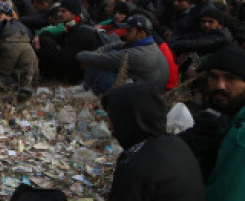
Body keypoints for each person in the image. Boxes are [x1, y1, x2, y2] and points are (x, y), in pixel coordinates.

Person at [103, 83, 204, 200]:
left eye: (113, 118)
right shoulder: (177, 143)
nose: (109, 126)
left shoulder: (134, 164)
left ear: (129, 119)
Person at [76, 15, 169, 95]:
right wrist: (94, 54)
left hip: (138, 97)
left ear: (142, 34)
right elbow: (113, 45)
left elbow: (102, 59)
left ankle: (86, 89)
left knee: (96, 63)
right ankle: (89, 89)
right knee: (105, 55)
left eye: (129, 30)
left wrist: (82, 56)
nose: (125, 33)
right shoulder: (149, 45)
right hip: (143, 90)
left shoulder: (138, 53)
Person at [200, 46, 245, 200]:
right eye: (214, 77)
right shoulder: (231, 118)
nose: (220, 85)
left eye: (230, 78)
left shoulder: (240, 137)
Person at [33, 0, 101, 82]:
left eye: (63, 11)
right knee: (45, 37)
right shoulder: (71, 26)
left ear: (74, 13)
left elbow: (64, 59)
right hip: (72, 62)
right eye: (59, 11)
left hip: (80, 72)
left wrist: (39, 49)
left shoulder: (81, 32)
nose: (59, 14)